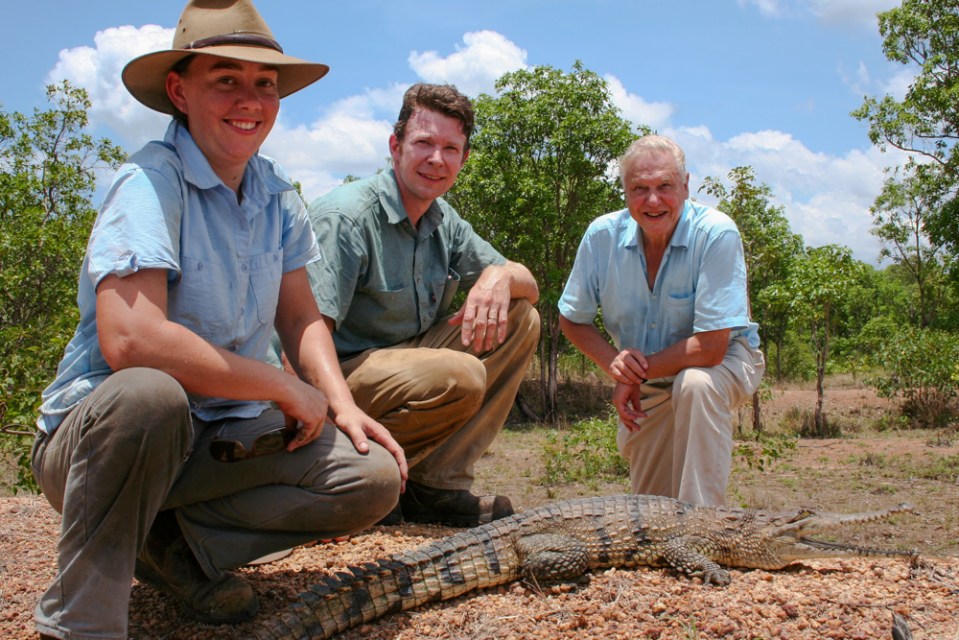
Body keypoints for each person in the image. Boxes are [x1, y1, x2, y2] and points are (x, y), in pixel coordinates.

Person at [30, 1, 407, 638]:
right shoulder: (151, 181)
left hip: (216, 435)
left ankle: (175, 549)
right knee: (151, 395)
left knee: (370, 477)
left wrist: (339, 402)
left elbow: (300, 314)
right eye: (225, 79)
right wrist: (284, 386)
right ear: (179, 90)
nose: (250, 99)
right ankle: (82, 620)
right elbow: (131, 340)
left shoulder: (274, 191)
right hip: (104, 441)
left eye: (266, 83)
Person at [305, 83, 540, 527]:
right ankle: (358, 471)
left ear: (463, 160)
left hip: (402, 368)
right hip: (328, 381)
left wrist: (497, 275)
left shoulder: (443, 220)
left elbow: (530, 284)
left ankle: (435, 487)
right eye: (424, 143)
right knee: (460, 372)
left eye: (451, 148)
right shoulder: (346, 217)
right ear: (395, 147)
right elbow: (303, 340)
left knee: (521, 316)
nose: (437, 159)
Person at [558, 134, 765, 507]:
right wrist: (615, 365)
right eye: (640, 188)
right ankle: (664, 541)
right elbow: (572, 319)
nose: (653, 201)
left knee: (695, 383)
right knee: (652, 508)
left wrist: (633, 374)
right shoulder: (601, 236)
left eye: (664, 186)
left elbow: (711, 347)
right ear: (624, 191)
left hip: (726, 359)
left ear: (685, 186)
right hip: (648, 377)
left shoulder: (716, 233)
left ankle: (704, 528)